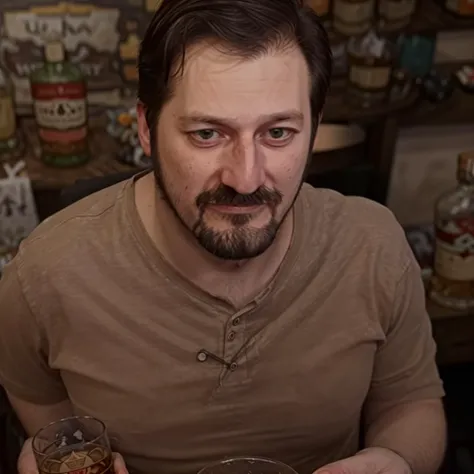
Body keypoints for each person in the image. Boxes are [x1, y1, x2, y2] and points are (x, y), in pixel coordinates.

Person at [0, 1, 446, 474]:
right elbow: (49, 430)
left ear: (313, 130)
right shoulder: (42, 278)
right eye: (208, 134)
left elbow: (411, 402)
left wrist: (395, 459)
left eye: (278, 132)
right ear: (147, 129)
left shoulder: (373, 245)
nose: (246, 178)